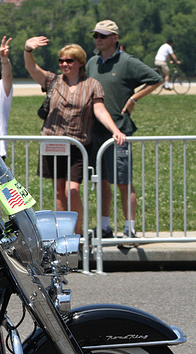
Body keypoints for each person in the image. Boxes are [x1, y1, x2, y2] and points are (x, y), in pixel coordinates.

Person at [24, 36, 125, 234]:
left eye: (69, 60)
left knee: (73, 190)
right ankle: (64, 235)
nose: (64, 64)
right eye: (61, 60)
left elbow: (100, 110)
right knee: (59, 192)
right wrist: (28, 50)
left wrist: (116, 130)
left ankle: (77, 234)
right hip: (52, 143)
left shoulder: (92, 85)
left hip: (78, 145)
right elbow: (32, 69)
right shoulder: (53, 81)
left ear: (79, 62)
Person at [86, 20, 162, 241]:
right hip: (95, 132)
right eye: (96, 35)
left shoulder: (128, 62)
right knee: (100, 180)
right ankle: (104, 227)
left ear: (115, 38)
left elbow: (155, 79)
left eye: (103, 35)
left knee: (123, 180)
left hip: (119, 132)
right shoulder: (92, 62)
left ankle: (130, 229)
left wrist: (134, 98)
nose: (98, 39)